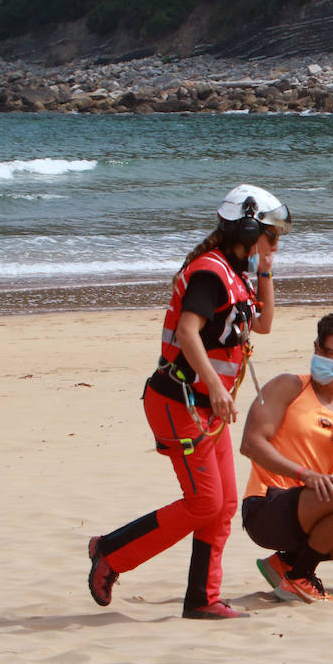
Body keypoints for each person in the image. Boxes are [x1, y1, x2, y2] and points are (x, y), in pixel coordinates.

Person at [86, 184, 287, 619]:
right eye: (273, 236)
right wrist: (216, 386)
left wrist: (266, 270)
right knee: (204, 504)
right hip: (180, 403)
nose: (277, 243)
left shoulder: (239, 274)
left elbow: (265, 324)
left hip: (206, 408)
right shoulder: (210, 272)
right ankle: (110, 552)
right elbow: (187, 333)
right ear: (250, 230)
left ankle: (202, 599)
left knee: (224, 504)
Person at [240, 309, 333, 602]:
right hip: (266, 506)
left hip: (314, 510)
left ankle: (287, 563)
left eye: (327, 352)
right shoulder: (290, 386)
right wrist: (303, 474)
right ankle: (300, 578)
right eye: (317, 349)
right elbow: (251, 444)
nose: (317, 356)